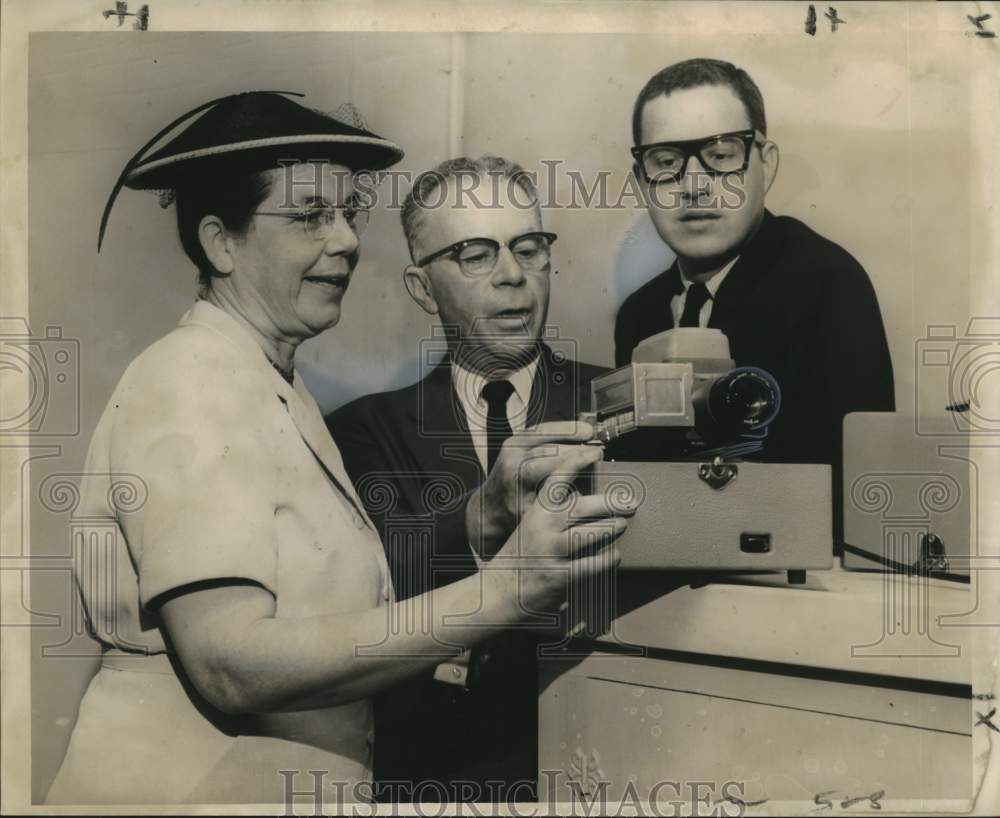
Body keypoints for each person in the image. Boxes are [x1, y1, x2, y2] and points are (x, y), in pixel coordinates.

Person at [46, 96, 629, 806]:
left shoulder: (268, 386)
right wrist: (506, 589)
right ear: (219, 243)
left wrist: (479, 522)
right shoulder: (189, 380)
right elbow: (230, 662)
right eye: (310, 215)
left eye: (349, 212)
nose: (349, 240)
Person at [327, 156, 607, 802]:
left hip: (603, 758)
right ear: (423, 289)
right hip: (439, 777)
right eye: (476, 255)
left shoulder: (621, 404)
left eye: (528, 248)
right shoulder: (365, 431)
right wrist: (483, 513)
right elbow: (368, 590)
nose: (513, 276)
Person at [615, 58, 895, 525]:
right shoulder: (639, 314)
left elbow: (855, 499)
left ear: (766, 164)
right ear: (642, 180)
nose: (694, 186)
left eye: (721, 155)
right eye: (666, 162)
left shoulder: (827, 284)